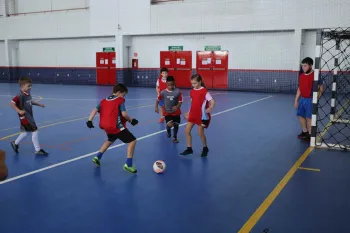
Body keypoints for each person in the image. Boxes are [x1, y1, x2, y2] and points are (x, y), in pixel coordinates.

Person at [86, 83, 139, 173]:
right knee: (132, 141)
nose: (123, 96)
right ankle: (128, 164)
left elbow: (94, 110)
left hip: (105, 126)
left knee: (110, 140)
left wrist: (90, 120)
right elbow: (124, 114)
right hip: (115, 126)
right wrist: (131, 120)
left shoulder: (103, 101)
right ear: (118, 93)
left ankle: (97, 157)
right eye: (123, 94)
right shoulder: (120, 100)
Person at [10, 77, 48, 155]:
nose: (30, 87)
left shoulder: (27, 93)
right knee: (35, 130)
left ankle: (15, 143)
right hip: (25, 116)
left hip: (29, 115)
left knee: (26, 132)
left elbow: (30, 101)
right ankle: (37, 150)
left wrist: (39, 104)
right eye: (28, 86)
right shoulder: (19, 95)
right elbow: (11, 103)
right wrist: (19, 111)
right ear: (23, 85)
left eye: (31, 86)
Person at [180, 74, 215, 157]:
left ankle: (205, 148)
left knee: (200, 133)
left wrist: (211, 107)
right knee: (186, 131)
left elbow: (212, 101)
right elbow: (193, 103)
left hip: (201, 116)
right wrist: (189, 112)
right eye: (192, 83)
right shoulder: (192, 91)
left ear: (199, 82)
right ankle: (189, 149)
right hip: (193, 114)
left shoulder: (204, 91)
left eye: (195, 83)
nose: (193, 85)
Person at [294, 57, 324, 142]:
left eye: (305, 66)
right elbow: (300, 88)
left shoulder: (315, 75)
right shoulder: (302, 75)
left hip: (310, 99)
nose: (303, 68)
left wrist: (316, 98)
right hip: (302, 99)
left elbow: (321, 88)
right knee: (300, 115)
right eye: (302, 66)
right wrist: (296, 99)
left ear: (310, 66)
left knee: (309, 118)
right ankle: (305, 132)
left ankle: (311, 135)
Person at [155, 76, 183, 143]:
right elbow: (158, 99)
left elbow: (180, 102)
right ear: (166, 84)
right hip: (167, 112)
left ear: (174, 83)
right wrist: (156, 107)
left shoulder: (178, 91)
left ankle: (175, 137)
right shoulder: (163, 92)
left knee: (176, 125)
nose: (170, 86)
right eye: (168, 85)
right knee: (170, 124)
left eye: (172, 85)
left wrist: (177, 106)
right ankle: (168, 129)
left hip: (176, 112)